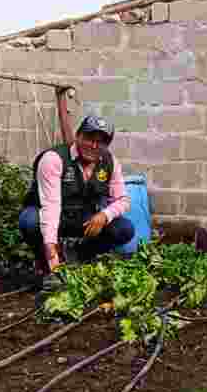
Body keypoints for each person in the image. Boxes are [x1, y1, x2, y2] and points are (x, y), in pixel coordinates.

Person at [19, 114, 135, 277]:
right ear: (78, 136)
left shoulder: (110, 162)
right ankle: (44, 262)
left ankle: (80, 256)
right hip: (53, 216)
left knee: (124, 229)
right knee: (30, 221)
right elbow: (51, 206)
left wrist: (104, 215)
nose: (94, 145)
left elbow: (123, 200)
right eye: (89, 138)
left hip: (84, 219)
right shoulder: (53, 159)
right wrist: (50, 246)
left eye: (101, 142)